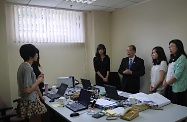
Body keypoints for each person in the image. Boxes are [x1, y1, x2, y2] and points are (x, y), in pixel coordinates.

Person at [17, 44, 47, 122]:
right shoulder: (27, 67)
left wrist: (36, 80)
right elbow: (27, 90)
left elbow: (32, 85)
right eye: (35, 53)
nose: (37, 55)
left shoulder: (24, 66)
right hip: (30, 101)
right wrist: (39, 81)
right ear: (30, 56)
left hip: (30, 100)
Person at [163, 39, 187, 107]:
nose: (170, 48)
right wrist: (165, 80)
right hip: (169, 86)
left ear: (178, 47)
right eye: (169, 47)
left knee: (177, 108)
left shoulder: (182, 58)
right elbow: (169, 71)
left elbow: (177, 75)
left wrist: (167, 83)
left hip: (178, 88)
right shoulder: (172, 58)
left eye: (172, 46)